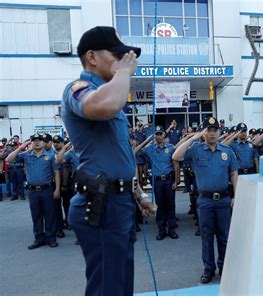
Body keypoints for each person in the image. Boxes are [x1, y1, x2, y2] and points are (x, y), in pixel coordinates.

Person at [61, 26, 154, 295]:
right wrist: (123, 73)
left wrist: (139, 194)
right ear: (91, 57)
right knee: (107, 287)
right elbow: (100, 107)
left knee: (121, 284)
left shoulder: (110, 93)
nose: (121, 60)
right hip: (101, 203)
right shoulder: (78, 89)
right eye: (115, 54)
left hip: (119, 201)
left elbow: (117, 157)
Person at [173, 117, 239, 284]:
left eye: (214, 130)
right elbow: (176, 155)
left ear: (219, 132)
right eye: (208, 130)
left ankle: (225, 267)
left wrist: (236, 196)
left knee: (224, 237)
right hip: (205, 201)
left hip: (224, 200)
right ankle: (208, 269)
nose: (212, 133)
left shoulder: (227, 151)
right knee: (207, 237)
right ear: (204, 133)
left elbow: (234, 174)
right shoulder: (196, 150)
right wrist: (193, 138)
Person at [5, 134, 61, 249]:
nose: (37, 142)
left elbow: (56, 173)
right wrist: (21, 148)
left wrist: (57, 189)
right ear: (31, 143)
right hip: (33, 191)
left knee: (49, 215)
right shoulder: (26, 155)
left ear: (43, 142)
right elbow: (8, 159)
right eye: (34, 140)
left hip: (47, 190)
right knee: (36, 215)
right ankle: (39, 238)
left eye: (39, 140)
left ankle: (51, 238)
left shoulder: (50, 156)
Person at [135, 127, 180, 240]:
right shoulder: (150, 149)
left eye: (160, 134)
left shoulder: (170, 148)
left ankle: (172, 229)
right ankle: (161, 230)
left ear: (164, 135)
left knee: (170, 205)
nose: (158, 136)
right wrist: (147, 140)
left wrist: (176, 180)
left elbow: (175, 164)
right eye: (156, 134)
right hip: (158, 181)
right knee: (159, 206)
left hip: (169, 180)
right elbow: (135, 152)